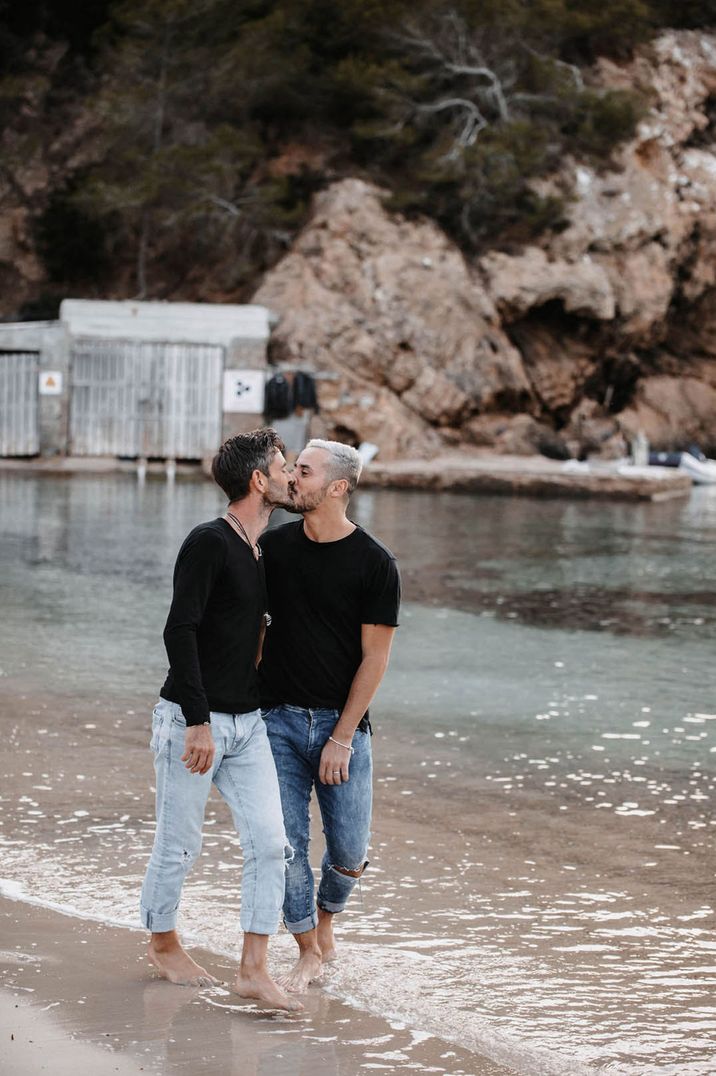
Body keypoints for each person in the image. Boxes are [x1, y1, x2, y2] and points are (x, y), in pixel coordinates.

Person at [139, 428, 301, 1012]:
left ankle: (253, 969)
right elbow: (178, 629)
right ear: (259, 480)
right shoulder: (209, 541)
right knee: (181, 843)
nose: (288, 475)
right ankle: (162, 942)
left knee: (271, 842)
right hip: (193, 719)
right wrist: (198, 720)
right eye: (282, 466)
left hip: (249, 724)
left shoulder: (262, 548)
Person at [258, 438, 401, 992]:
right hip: (276, 721)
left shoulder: (374, 564)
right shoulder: (275, 548)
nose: (293, 476)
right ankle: (307, 948)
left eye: (305, 470)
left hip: (343, 728)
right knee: (286, 843)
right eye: (294, 466)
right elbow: (256, 631)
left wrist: (342, 737)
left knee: (348, 851)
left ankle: (326, 923)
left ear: (337, 487)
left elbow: (376, 658)